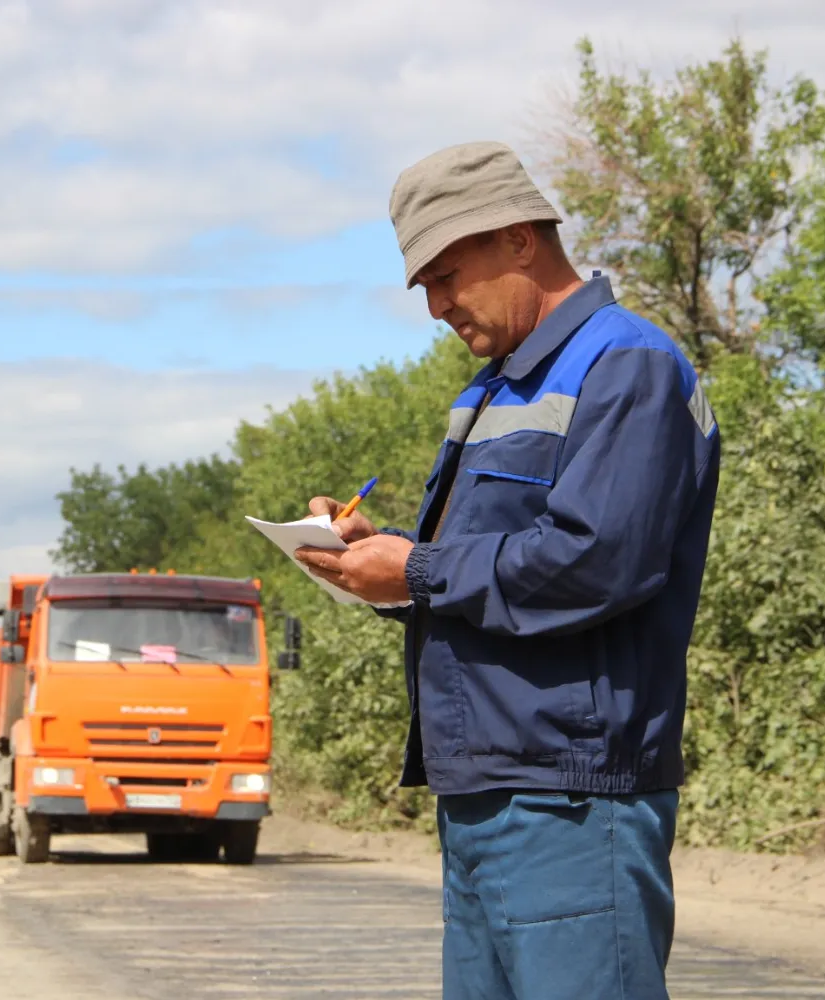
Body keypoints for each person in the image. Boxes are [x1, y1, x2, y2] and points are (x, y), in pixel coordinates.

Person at [295, 141, 720, 1000]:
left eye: (447, 276)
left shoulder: (624, 364)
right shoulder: (492, 390)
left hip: (570, 798)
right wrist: (380, 558)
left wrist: (416, 572)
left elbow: (599, 562)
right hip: (488, 791)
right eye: (426, 287)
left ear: (520, 240)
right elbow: (479, 570)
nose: (438, 306)